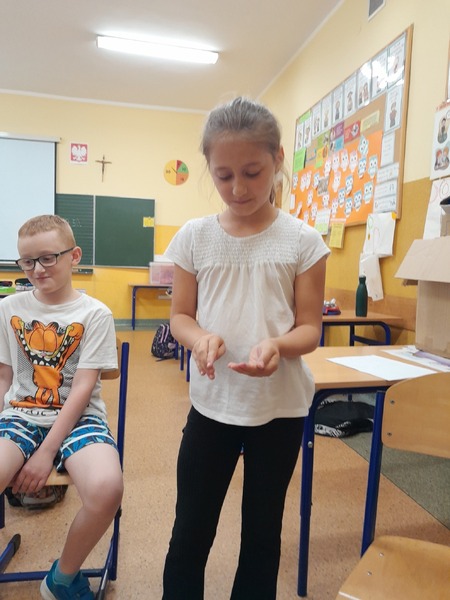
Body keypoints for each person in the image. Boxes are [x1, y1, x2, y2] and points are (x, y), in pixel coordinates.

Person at [162, 97, 330, 599]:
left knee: (262, 533)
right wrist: (200, 338)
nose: (238, 188)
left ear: (277, 159)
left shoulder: (302, 240)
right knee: (190, 529)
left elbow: (310, 328)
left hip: (278, 409)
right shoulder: (194, 237)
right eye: (224, 175)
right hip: (212, 405)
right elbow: (180, 316)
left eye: (253, 173)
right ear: (210, 170)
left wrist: (277, 344)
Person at [0, 215, 123, 600]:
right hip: (20, 415)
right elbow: (4, 377)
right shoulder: (8, 308)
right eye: (27, 261)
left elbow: (83, 389)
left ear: (74, 256)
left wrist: (45, 454)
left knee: (106, 489)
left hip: (80, 418)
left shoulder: (95, 314)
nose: (37, 269)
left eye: (48, 258)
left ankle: (63, 578)